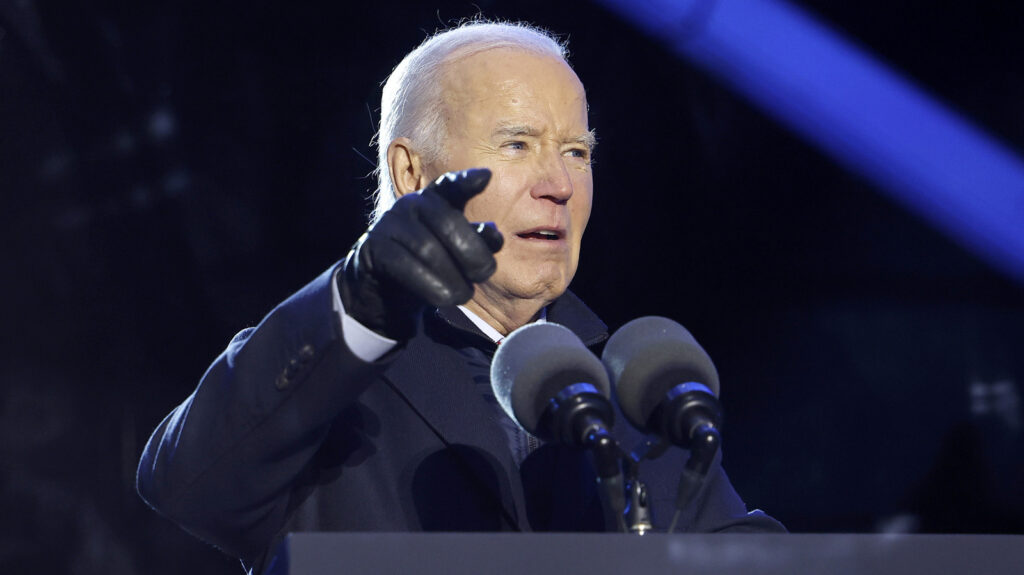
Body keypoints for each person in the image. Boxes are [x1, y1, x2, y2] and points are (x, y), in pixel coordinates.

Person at [137, 20, 785, 575]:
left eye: (576, 151)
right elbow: (186, 486)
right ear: (411, 172)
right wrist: (363, 300)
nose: (559, 183)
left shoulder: (637, 394)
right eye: (519, 144)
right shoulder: (330, 369)